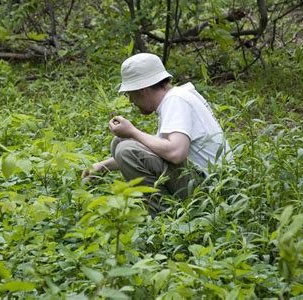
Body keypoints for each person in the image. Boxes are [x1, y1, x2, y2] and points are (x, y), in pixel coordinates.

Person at [82, 53, 232, 214]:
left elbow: (176, 153)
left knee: (125, 149)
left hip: (211, 189)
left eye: (130, 94)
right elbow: (157, 151)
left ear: (143, 90)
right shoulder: (176, 97)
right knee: (120, 142)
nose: (131, 101)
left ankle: (165, 217)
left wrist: (132, 131)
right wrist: (103, 166)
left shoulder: (176, 101)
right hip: (206, 180)